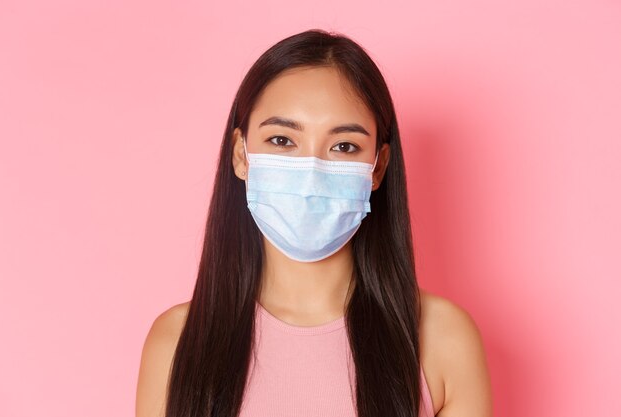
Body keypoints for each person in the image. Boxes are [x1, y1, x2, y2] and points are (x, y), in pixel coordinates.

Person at [135, 29, 492, 417]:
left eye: (344, 146)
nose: (311, 173)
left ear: (378, 167)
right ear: (241, 154)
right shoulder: (177, 343)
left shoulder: (441, 339)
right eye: (282, 140)